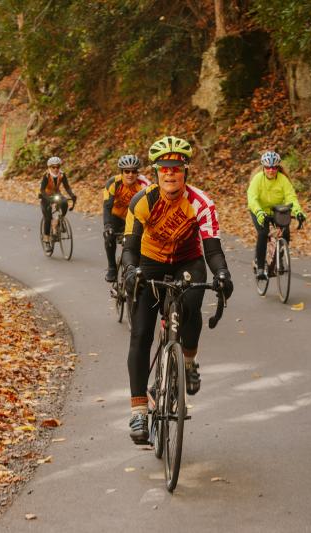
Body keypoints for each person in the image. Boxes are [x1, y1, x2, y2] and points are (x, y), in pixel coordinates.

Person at [121, 135, 234, 444]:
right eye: (163, 168)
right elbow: (129, 247)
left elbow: (212, 249)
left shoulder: (201, 203)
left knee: (191, 304)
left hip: (188, 260)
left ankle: (187, 359)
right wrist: (131, 271)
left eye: (176, 167)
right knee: (141, 332)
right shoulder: (142, 201)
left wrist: (222, 274)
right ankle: (139, 410)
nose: (170, 173)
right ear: (156, 172)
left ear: (186, 171)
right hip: (150, 261)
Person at [246, 151, 306, 280]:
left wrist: (298, 212)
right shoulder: (257, 179)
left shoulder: (283, 180)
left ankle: (277, 259)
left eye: (274, 167)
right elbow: (252, 199)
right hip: (259, 210)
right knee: (263, 233)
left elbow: (291, 198)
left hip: (277, 211)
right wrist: (259, 212)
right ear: (263, 167)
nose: (271, 170)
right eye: (268, 167)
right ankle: (261, 267)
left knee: (285, 234)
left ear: (278, 167)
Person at [102, 154, 151, 282]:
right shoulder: (113, 183)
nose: (130, 174)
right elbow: (107, 206)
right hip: (116, 217)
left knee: (139, 243)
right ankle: (112, 268)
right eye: (126, 171)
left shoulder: (144, 184)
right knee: (109, 236)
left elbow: (150, 208)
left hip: (134, 219)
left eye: (134, 171)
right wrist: (107, 225)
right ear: (121, 172)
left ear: (137, 173)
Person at [39, 156, 77, 244]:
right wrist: (48, 199)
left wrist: (72, 195)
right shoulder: (46, 175)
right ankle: (46, 238)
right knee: (48, 218)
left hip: (56, 194)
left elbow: (66, 186)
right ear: (49, 167)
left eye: (58, 167)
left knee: (64, 202)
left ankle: (59, 221)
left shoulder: (62, 174)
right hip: (45, 195)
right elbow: (42, 190)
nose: (56, 169)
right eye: (53, 167)